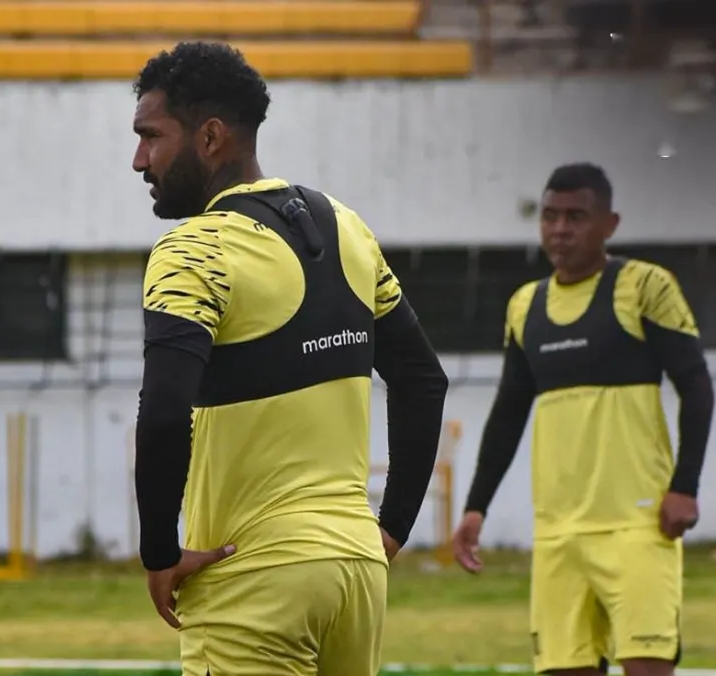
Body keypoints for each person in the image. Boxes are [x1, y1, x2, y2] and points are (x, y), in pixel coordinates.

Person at [130, 41, 449, 676]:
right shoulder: (347, 229)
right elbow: (422, 378)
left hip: (252, 573)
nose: (140, 160)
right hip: (356, 575)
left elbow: (164, 413)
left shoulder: (194, 248)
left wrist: (159, 551)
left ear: (211, 136)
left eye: (151, 137)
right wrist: (389, 529)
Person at [452, 163, 715, 676]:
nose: (560, 229)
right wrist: (475, 507)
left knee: (647, 667)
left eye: (576, 216)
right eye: (550, 216)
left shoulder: (645, 287)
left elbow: (696, 386)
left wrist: (686, 485)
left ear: (609, 224)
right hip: (558, 536)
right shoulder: (526, 305)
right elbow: (508, 412)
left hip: (638, 527)